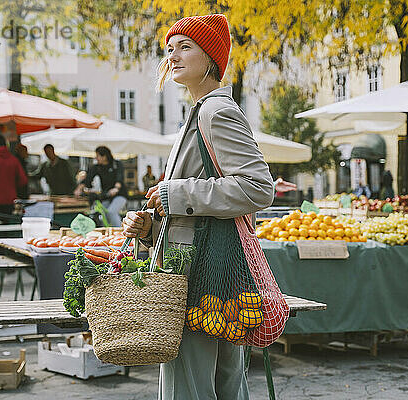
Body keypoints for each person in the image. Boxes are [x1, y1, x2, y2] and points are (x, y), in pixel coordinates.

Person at [122, 14, 273, 400]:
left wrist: (178, 194)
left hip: (199, 269)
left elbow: (258, 187)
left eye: (185, 47)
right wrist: (152, 227)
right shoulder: (198, 114)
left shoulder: (215, 111)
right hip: (214, 265)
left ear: (212, 59)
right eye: (170, 49)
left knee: (189, 385)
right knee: (225, 382)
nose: (172, 55)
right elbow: (202, 203)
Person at [74, 146, 127, 227]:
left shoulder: (117, 164)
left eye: (97, 155)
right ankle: (107, 234)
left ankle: (120, 232)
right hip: (106, 195)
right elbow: (88, 179)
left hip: (120, 194)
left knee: (111, 212)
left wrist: (116, 189)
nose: (96, 158)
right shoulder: (97, 167)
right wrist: (79, 189)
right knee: (103, 214)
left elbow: (120, 178)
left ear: (104, 156)